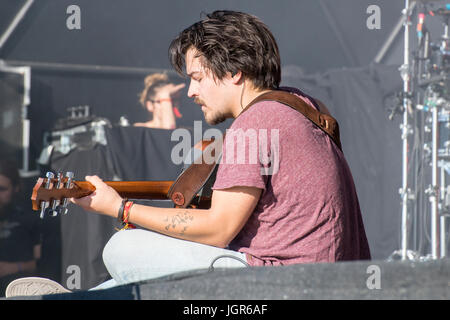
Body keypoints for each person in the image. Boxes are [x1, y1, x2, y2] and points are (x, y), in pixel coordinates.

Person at [5, 10, 370, 297]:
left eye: (197, 76)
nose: (191, 90)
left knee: (122, 248)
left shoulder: (255, 122)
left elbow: (218, 230)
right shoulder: (304, 106)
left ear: (235, 72)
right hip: (330, 281)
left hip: (280, 286)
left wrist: (120, 208)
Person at [0, 159, 42, 296]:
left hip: (19, 291)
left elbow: (41, 263)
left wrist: (12, 268)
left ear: (16, 187)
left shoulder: (28, 220)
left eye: (2, 189)